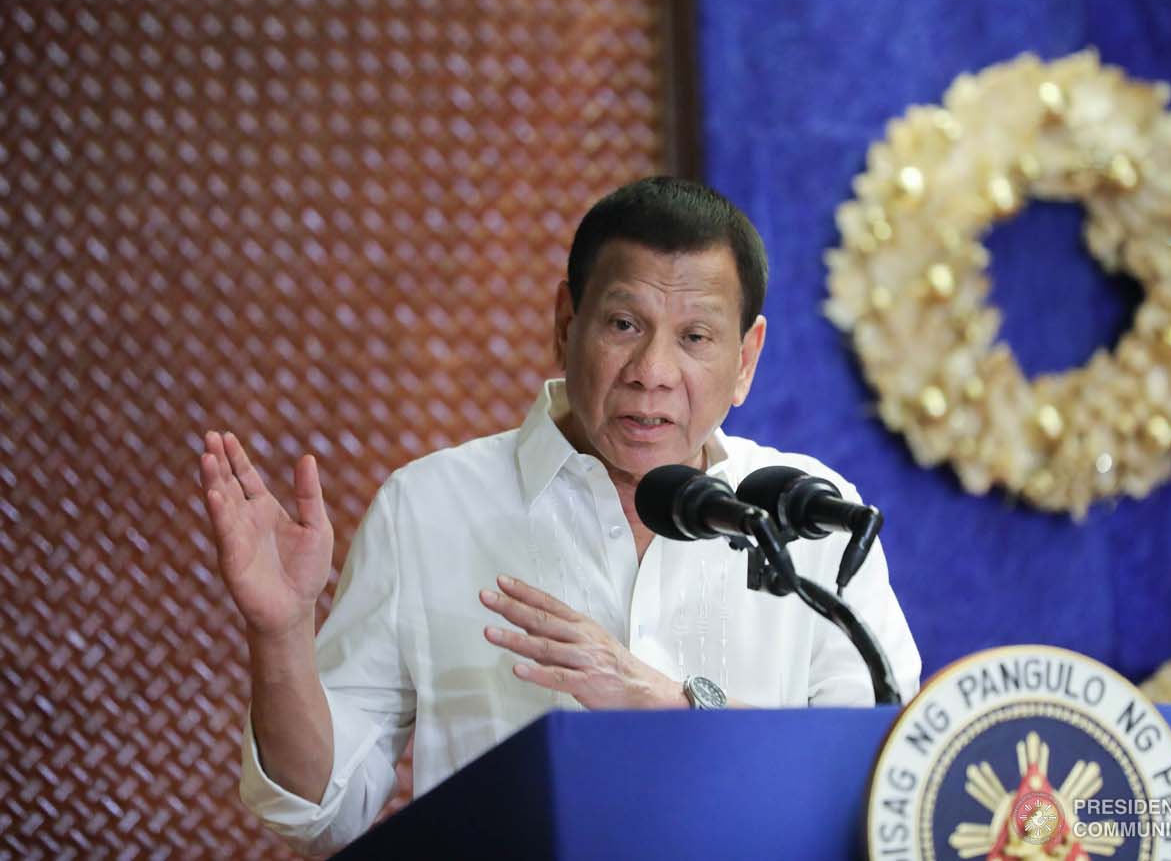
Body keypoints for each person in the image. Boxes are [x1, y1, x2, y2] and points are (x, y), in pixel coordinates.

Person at [198, 176, 922, 854]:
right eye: (623, 323)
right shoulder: (429, 510)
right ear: (565, 323)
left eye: (695, 338)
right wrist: (282, 634)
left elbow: (887, 788)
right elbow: (323, 812)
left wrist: (672, 708)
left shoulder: (810, 515)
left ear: (746, 359)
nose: (653, 371)